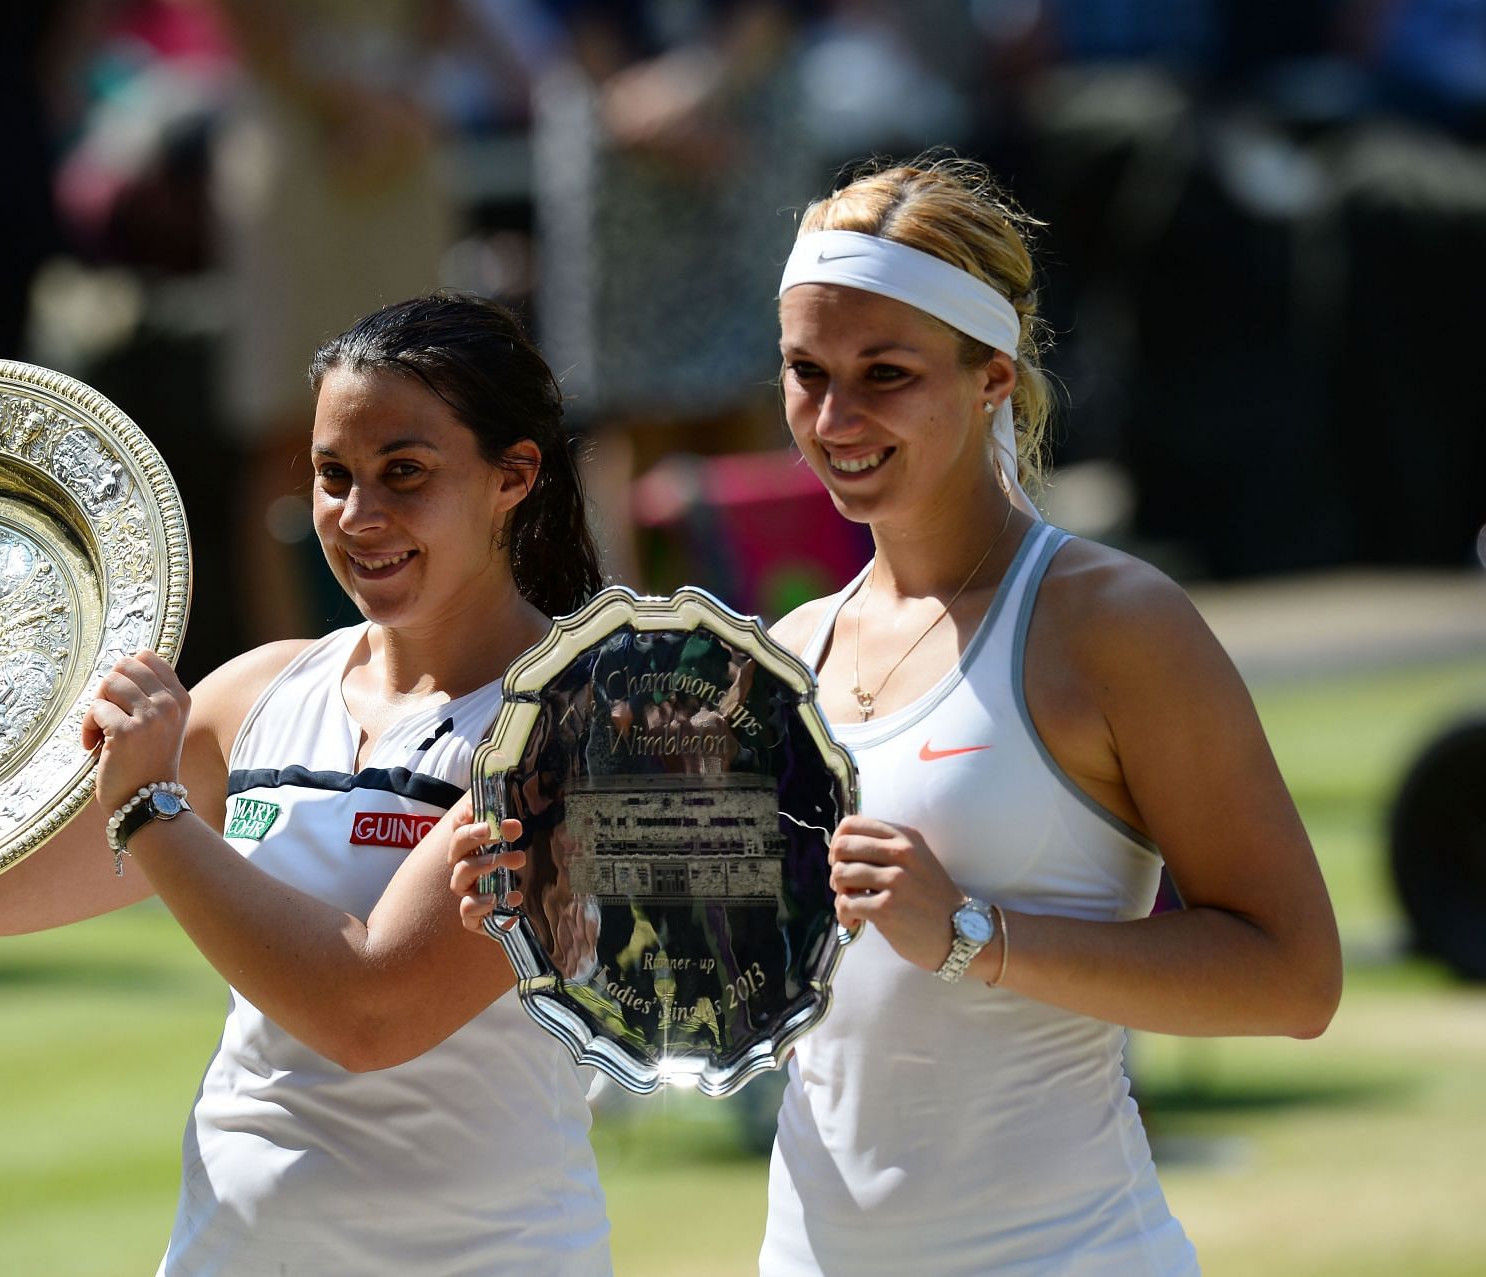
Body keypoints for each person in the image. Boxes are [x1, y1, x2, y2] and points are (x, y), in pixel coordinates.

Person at [455, 157, 1343, 1274]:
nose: (835, 417)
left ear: (989, 374)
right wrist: (553, 896)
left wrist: (974, 936)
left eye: (885, 372)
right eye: (804, 371)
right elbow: (720, 978)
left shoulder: (1114, 622)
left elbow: (1295, 976)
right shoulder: (779, 656)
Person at [0, 293, 612, 1276]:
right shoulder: (260, 690)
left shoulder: (577, 728)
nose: (358, 516)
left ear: (513, 476)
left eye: (406, 473)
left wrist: (149, 810)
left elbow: (368, 1010)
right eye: (332, 473)